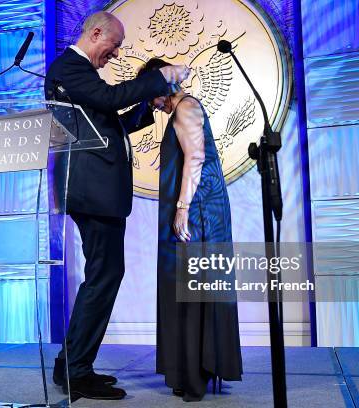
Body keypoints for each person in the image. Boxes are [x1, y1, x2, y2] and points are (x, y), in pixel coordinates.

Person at [44, 12, 190, 401]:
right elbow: (110, 99)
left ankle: (72, 364)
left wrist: (146, 106)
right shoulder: (69, 67)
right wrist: (160, 78)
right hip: (92, 191)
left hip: (99, 192)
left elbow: (109, 124)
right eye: (115, 43)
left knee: (103, 276)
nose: (117, 53)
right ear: (95, 33)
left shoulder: (81, 76)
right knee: (104, 276)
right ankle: (76, 370)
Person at [137, 58, 243, 402]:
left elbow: (195, 157)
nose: (151, 102)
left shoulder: (186, 106)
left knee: (193, 284)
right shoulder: (183, 107)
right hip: (196, 203)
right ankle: (192, 370)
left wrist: (182, 208)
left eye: (150, 93)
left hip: (198, 208)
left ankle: (196, 372)